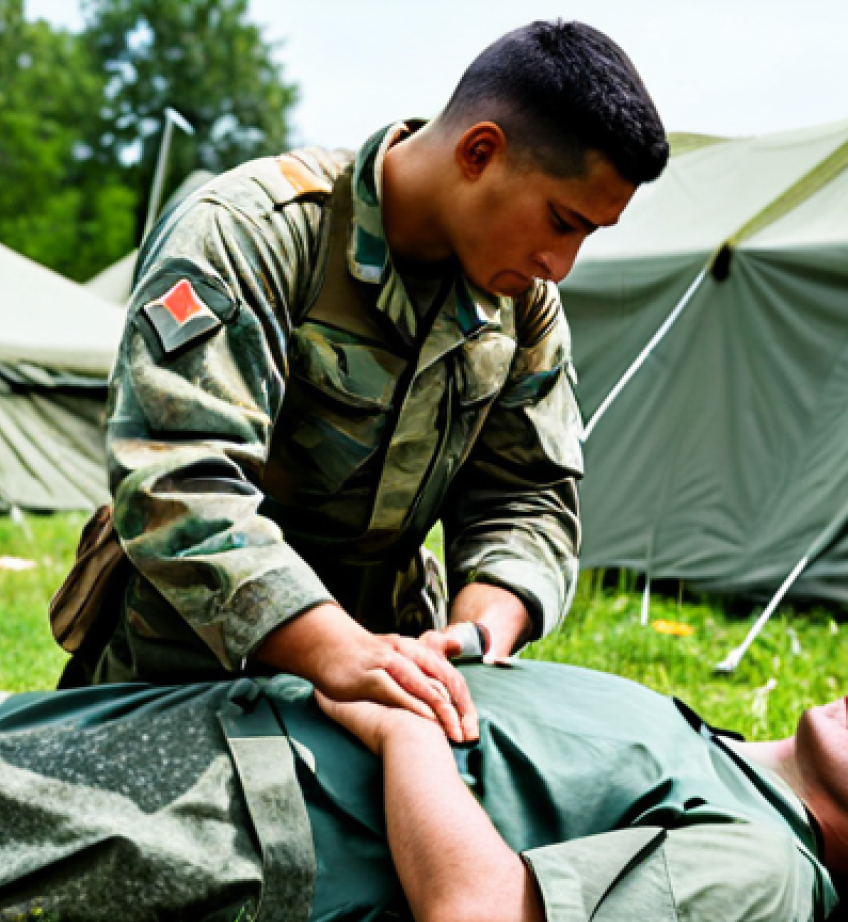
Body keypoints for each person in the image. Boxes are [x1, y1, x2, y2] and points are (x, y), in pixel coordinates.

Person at [50, 20, 669, 741]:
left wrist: (481, 626)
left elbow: (528, 494)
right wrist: (336, 650)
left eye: (590, 233)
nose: (562, 264)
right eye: (562, 221)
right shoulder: (254, 235)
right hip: (181, 670)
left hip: (389, 679)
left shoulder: (521, 305)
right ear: (481, 152)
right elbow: (179, 482)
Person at [0, 658, 836, 922]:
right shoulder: (720, 747)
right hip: (235, 712)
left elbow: (480, 919)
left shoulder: (765, 870)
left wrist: (405, 735)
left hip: (254, 818)